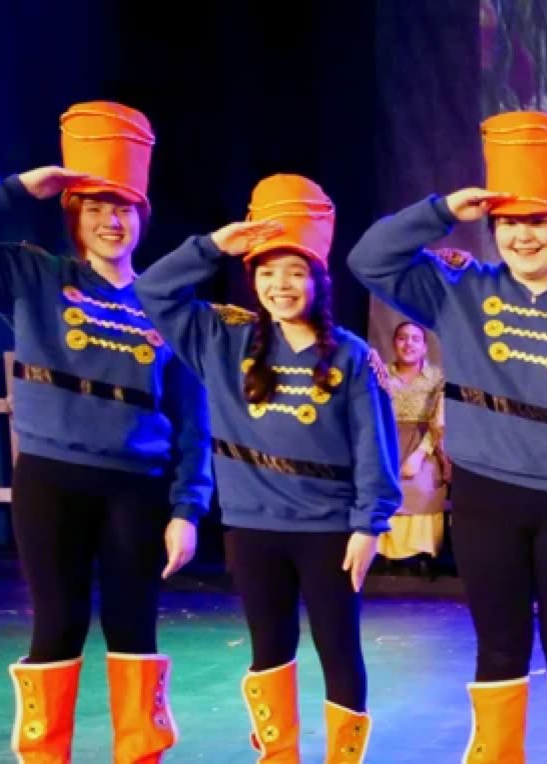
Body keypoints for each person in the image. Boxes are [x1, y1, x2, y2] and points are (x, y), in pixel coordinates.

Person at [0, 101, 211, 764]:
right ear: (73, 215)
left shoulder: (167, 307)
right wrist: (19, 188)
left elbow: (195, 419)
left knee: (134, 624)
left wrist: (188, 509)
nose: (112, 221)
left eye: (124, 208)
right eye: (96, 207)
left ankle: (140, 756)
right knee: (59, 622)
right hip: (51, 479)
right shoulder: (35, 277)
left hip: (137, 487)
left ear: (143, 219)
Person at [346, 110, 547, 761]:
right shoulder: (461, 290)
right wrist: (441, 210)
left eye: (537, 221)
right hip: (487, 498)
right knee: (500, 647)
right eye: (509, 223)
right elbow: (367, 260)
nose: (523, 235)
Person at [138, 174, 398, 763]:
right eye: (267, 273)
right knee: (269, 650)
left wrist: (369, 525)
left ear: (318, 280)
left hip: (330, 532)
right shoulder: (222, 338)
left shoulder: (353, 355)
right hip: (253, 530)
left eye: (295, 272)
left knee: (339, 648)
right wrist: (213, 246)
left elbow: (374, 447)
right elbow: (152, 291)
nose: (280, 285)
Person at [370, 321, 448, 571]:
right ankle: (382, 553)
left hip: (425, 443)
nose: (409, 344)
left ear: (424, 347)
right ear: (394, 343)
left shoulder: (437, 377)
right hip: (385, 442)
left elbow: (440, 421)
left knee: (422, 488)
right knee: (380, 487)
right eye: (402, 338)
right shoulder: (379, 373)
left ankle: (419, 553)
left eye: (415, 339)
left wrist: (419, 454)